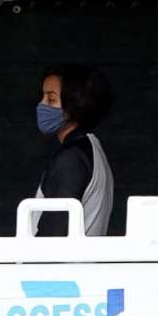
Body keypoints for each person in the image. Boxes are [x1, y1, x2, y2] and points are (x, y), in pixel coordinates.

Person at [32, 64, 116, 237]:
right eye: (42, 97)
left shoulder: (71, 159)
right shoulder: (90, 149)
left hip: (65, 264)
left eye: (51, 99)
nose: (41, 105)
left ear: (73, 105)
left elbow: (55, 234)